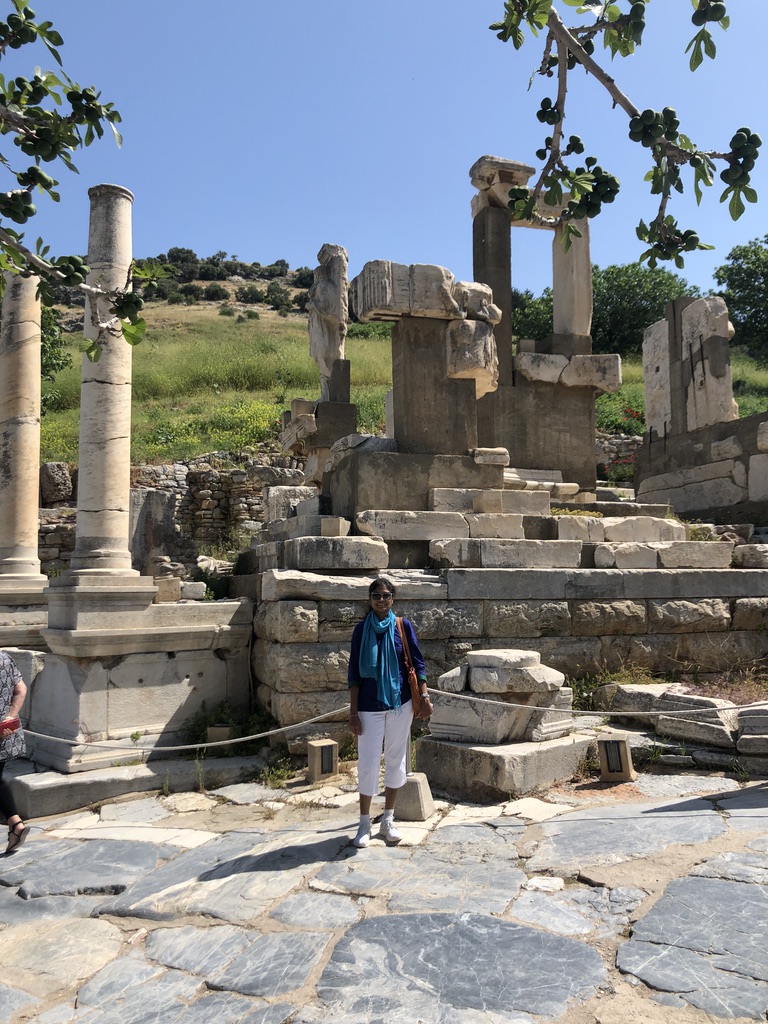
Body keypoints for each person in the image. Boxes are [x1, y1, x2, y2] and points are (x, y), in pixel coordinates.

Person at [347, 578, 431, 848]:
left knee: (396, 760)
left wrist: (425, 696)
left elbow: (418, 663)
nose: (381, 600)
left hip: (399, 704)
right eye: (376, 595)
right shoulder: (361, 630)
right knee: (368, 762)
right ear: (369, 599)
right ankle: (363, 823)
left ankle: (388, 819)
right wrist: (352, 712)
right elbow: (354, 673)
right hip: (368, 705)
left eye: (385, 595)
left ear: (393, 598)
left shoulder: (402, 626)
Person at [0, 651, 30, 854]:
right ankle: (15, 824)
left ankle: (15, 824)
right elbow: (21, 689)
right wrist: (9, 718)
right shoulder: (4, 658)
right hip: (4, 733)